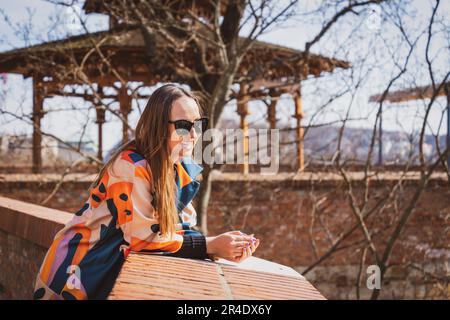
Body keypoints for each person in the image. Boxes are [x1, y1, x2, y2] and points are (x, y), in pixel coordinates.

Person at [33, 84, 260, 300]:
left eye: (198, 124)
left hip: (101, 271)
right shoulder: (130, 166)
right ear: (159, 126)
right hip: (73, 274)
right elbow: (143, 238)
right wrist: (211, 245)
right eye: (183, 125)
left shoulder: (177, 167)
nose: (193, 135)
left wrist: (224, 245)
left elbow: (179, 230)